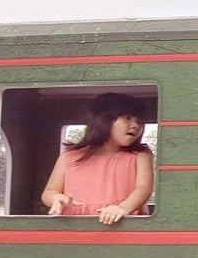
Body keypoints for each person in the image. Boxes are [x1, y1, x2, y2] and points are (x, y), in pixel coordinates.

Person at [41, 93, 154, 225]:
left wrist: (122, 209)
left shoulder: (140, 155)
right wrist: (56, 198)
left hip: (121, 226)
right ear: (104, 119)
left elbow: (144, 189)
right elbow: (49, 192)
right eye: (127, 118)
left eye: (139, 121)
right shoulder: (70, 157)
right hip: (75, 227)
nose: (135, 125)